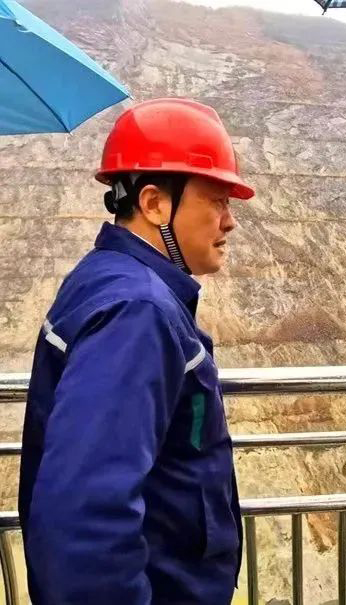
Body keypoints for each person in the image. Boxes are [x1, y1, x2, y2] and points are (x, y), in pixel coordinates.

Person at [19, 98, 255, 604]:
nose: (229, 221)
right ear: (154, 204)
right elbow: (83, 519)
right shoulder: (138, 312)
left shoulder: (106, 276)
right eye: (217, 200)